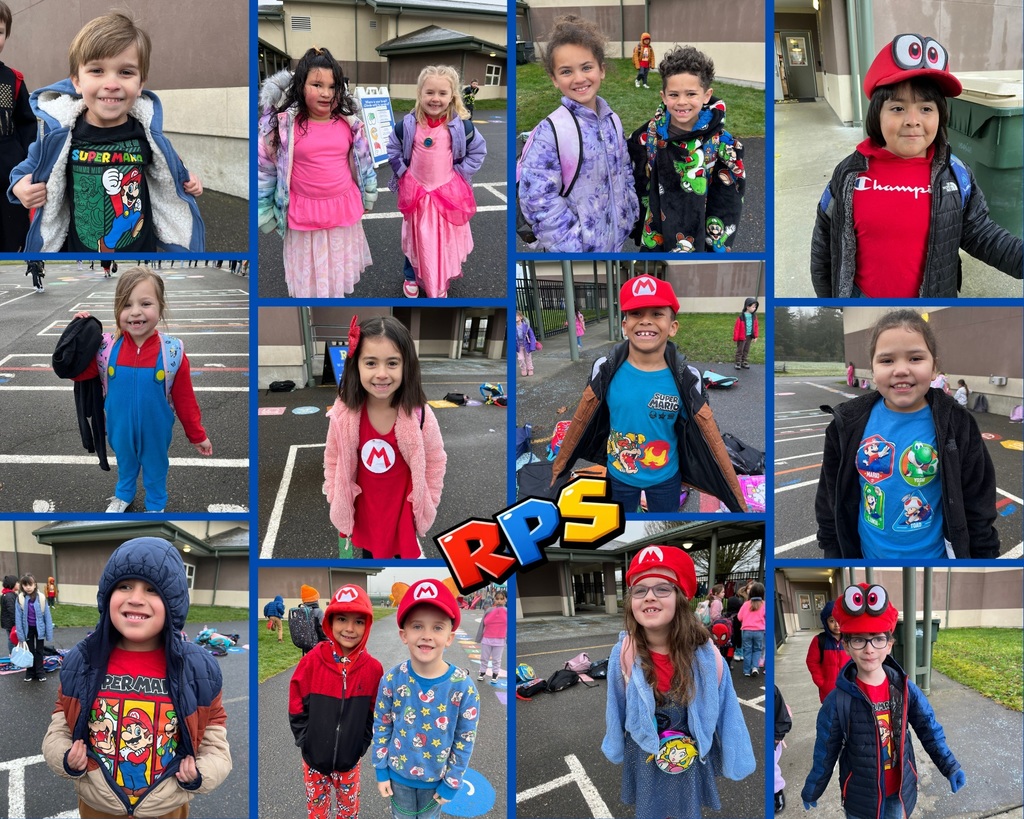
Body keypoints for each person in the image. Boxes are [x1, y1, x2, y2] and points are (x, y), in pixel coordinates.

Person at [810, 33, 1022, 297]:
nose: (912, 120)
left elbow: (983, 235)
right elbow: (824, 242)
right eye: (898, 108)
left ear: (940, 115)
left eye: (926, 108)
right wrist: (828, 300)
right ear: (877, 114)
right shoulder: (848, 175)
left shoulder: (956, 176)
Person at [42, 537, 231, 817]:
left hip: (165, 807)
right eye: (125, 586)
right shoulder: (82, 660)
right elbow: (60, 724)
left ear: (174, 602)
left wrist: (202, 773)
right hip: (99, 806)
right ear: (108, 596)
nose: (136, 598)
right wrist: (64, 757)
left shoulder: (196, 669)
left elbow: (215, 736)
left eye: (152, 590)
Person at [9, 11, 204, 253]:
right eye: (97, 71)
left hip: (141, 249)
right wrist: (19, 187)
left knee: (126, 220)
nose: (111, 84)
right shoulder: (59, 136)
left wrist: (189, 179)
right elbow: (25, 168)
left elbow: (171, 166)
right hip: (79, 251)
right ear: (77, 81)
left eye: (126, 72)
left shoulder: (147, 133)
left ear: (141, 82)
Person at [551, 275, 746, 513]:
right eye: (636, 314)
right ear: (624, 325)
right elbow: (587, 420)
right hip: (618, 475)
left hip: (666, 478)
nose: (645, 321)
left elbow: (700, 432)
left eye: (656, 314)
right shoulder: (604, 369)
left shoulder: (687, 378)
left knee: (663, 524)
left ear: (672, 327)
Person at [815, 309, 999, 558]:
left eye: (915, 358)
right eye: (887, 360)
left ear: (935, 368)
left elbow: (978, 500)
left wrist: (983, 555)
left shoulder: (958, 423)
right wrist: (832, 549)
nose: (901, 370)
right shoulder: (846, 424)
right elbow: (829, 497)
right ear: (872, 369)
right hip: (867, 556)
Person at [601, 546, 755, 818]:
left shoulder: (707, 656)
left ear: (682, 598)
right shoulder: (623, 654)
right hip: (645, 754)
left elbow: (728, 710)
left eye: (662, 588)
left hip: (689, 757)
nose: (649, 596)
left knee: (686, 811)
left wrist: (737, 758)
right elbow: (616, 705)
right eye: (640, 590)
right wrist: (615, 744)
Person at [801, 583, 965, 817]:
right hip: (860, 799)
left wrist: (950, 766)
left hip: (898, 792)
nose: (869, 649)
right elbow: (825, 750)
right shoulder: (838, 700)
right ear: (846, 645)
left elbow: (929, 729)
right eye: (858, 640)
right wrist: (813, 788)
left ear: (889, 644)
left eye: (877, 639)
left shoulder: (904, 689)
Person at [72, 267, 212, 512]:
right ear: (117, 310)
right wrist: (76, 335)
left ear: (160, 306)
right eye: (126, 305)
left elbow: (185, 400)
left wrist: (197, 435)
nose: (135, 312)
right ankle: (124, 494)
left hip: (156, 431)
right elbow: (76, 372)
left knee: (156, 467)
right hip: (118, 427)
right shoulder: (105, 348)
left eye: (145, 303)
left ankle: (156, 503)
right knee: (125, 464)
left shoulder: (172, 352)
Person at [257, 47, 376, 298]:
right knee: (310, 273)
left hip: (342, 209)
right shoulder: (282, 126)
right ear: (300, 85)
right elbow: (265, 170)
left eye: (333, 86)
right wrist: (264, 212)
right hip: (304, 214)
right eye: (317, 84)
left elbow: (364, 161)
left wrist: (368, 192)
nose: (326, 93)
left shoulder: (349, 123)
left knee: (336, 266)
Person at [324, 316, 447, 559]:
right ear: (355, 364)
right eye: (370, 363)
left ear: (406, 366)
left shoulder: (419, 414)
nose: (381, 373)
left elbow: (435, 460)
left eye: (392, 363)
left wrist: (429, 500)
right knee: (369, 556)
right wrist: (333, 492)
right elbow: (333, 457)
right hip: (366, 514)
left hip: (403, 514)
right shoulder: (344, 413)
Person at [518, 15, 638, 253]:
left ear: (601, 70)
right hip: (577, 250)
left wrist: (629, 210)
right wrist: (572, 244)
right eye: (566, 71)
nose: (579, 78)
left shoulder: (612, 121)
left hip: (615, 241)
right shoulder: (550, 132)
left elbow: (624, 169)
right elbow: (538, 200)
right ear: (554, 79)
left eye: (586, 67)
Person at [372, 579, 480, 819]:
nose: (427, 636)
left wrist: (452, 782)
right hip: (397, 777)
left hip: (437, 781)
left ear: (450, 637)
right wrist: (381, 771)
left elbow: (465, 739)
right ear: (404, 634)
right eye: (417, 626)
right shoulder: (391, 680)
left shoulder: (464, 688)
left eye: (438, 627)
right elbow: (382, 724)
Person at [627, 45, 745, 253]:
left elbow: (729, 202)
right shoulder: (648, 136)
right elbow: (636, 181)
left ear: (706, 95)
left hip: (699, 236)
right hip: (657, 231)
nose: (682, 102)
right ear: (663, 96)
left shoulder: (722, 143)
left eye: (691, 94)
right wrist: (636, 224)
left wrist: (717, 246)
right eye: (674, 95)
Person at [387, 65, 485, 299]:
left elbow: (478, 151)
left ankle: (439, 276)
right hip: (417, 193)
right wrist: (403, 173)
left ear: (452, 95)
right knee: (415, 237)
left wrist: (461, 173)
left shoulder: (461, 127)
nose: (435, 98)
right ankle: (411, 275)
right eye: (429, 92)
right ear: (420, 93)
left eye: (442, 93)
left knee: (442, 239)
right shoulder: (408, 125)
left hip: (446, 194)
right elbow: (393, 148)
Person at [289, 584, 383, 819]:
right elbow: (296, 703)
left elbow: (374, 714)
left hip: (349, 762)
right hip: (314, 761)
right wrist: (305, 741)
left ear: (368, 625)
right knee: (317, 812)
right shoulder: (312, 661)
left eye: (359, 621)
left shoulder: (373, 670)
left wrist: (360, 746)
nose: (350, 629)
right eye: (342, 619)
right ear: (330, 621)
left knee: (348, 812)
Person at [0, 1, 34, 252]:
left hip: (8, 178)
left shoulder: (13, 80)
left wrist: (24, 162)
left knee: (11, 238)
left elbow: (27, 124)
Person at [804, 599, 850, 703]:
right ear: (826, 622)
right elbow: (812, 662)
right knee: (830, 716)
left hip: (847, 688)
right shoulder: (819, 640)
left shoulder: (850, 640)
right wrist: (821, 682)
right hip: (828, 691)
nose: (836, 625)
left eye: (839, 620)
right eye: (832, 621)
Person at [15, 573, 52, 681]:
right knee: (29, 651)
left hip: (39, 629)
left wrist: (48, 633)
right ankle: (30, 672)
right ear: (22, 586)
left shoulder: (41, 598)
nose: (28, 587)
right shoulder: (20, 598)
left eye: (30, 584)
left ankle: (40, 672)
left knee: (39, 651)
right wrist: (21, 636)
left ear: (35, 585)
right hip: (28, 630)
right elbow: (18, 618)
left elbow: (47, 616)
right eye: (25, 585)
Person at [477, 587, 507, 684]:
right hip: (487, 639)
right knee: (484, 658)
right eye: (497, 598)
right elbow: (482, 624)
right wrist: (479, 637)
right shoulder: (489, 610)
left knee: (496, 659)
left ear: (505, 600)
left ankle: (495, 674)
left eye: (501, 599)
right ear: (494, 599)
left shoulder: (508, 612)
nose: (499, 601)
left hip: (500, 640)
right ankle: (482, 673)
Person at [736, 581, 765, 677]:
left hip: (747, 631)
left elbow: (739, 617)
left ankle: (746, 670)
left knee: (747, 650)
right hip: (759, 631)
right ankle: (755, 667)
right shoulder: (764, 604)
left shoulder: (746, 604)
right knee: (757, 650)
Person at [774, 685, 793, 814]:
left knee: (772, 766)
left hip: (773, 737)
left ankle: (777, 791)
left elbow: (781, 713)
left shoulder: (773, 690)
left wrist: (777, 736)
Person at [297, 584, 328, 655]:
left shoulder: (301, 611)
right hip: (318, 645)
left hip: (306, 645)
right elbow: (323, 629)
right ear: (315, 599)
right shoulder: (318, 611)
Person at [733, 297, 758, 370]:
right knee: (740, 350)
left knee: (746, 349)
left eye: (755, 307)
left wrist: (755, 336)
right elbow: (737, 328)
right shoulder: (741, 317)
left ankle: (744, 361)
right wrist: (736, 338)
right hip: (741, 337)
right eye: (753, 307)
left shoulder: (754, 317)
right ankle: (738, 362)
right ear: (747, 307)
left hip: (749, 336)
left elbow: (755, 326)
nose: (754, 308)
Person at [515, 310, 539, 377]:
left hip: (527, 345)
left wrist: (532, 346)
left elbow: (531, 336)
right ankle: (523, 369)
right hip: (518, 346)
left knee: (528, 357)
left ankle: (530, 369)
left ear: (521, 317)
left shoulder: (526, 326)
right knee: (520, 358)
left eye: (516, 316)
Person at [1, 575, 17, 654]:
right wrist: (16, 623)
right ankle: (12, 654)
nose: (18, 584)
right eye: (17, 583)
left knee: (11, 638)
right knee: (12, 639)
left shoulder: (6, 594)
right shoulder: (9, 596)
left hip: (8, 621)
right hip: (10, 622)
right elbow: (12, 611)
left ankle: (12, 653)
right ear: (12, 584)